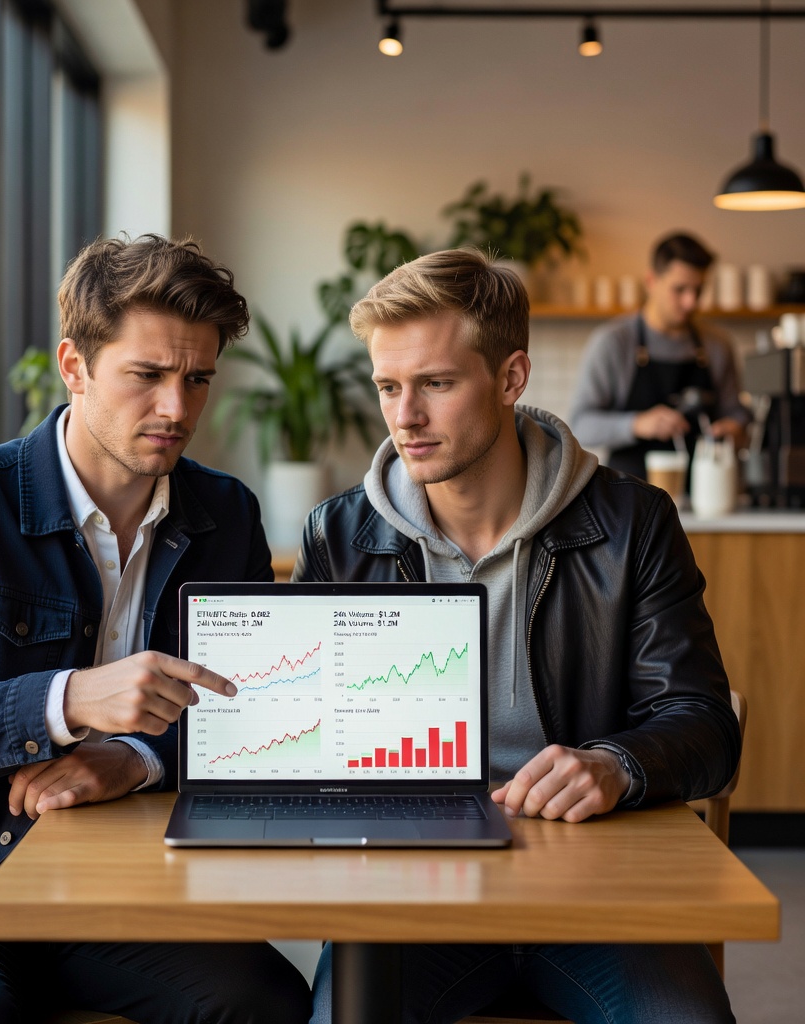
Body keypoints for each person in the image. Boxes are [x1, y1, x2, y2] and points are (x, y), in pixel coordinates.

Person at [0, 235, 312, 1024]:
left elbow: (252, 713)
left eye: (198, 379)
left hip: (116, 889)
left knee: (265, 1004)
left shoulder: (224, 515)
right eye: (148, 376)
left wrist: (132, 759)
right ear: (75, 366)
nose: (177, 408)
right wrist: (67, 701)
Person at [293, 247, 741, 1024]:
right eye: (389, 388)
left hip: (594, 890)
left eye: (435, 383)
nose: (405, 416)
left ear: (510, 378)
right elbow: (306, 741)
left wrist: (615, 764)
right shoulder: (340, 534)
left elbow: (705, 725)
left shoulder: (631, 525)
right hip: (411, 900)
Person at [570, 232, 749, 480]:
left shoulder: (717, 346)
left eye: (698, 290)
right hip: (627, 502)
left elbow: (737, 417)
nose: (691, 303)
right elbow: (580, 425)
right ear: (651, 281)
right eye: (680, 290)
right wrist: (636, 424)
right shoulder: (613, 342)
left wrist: (734, 429)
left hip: (703, 499)